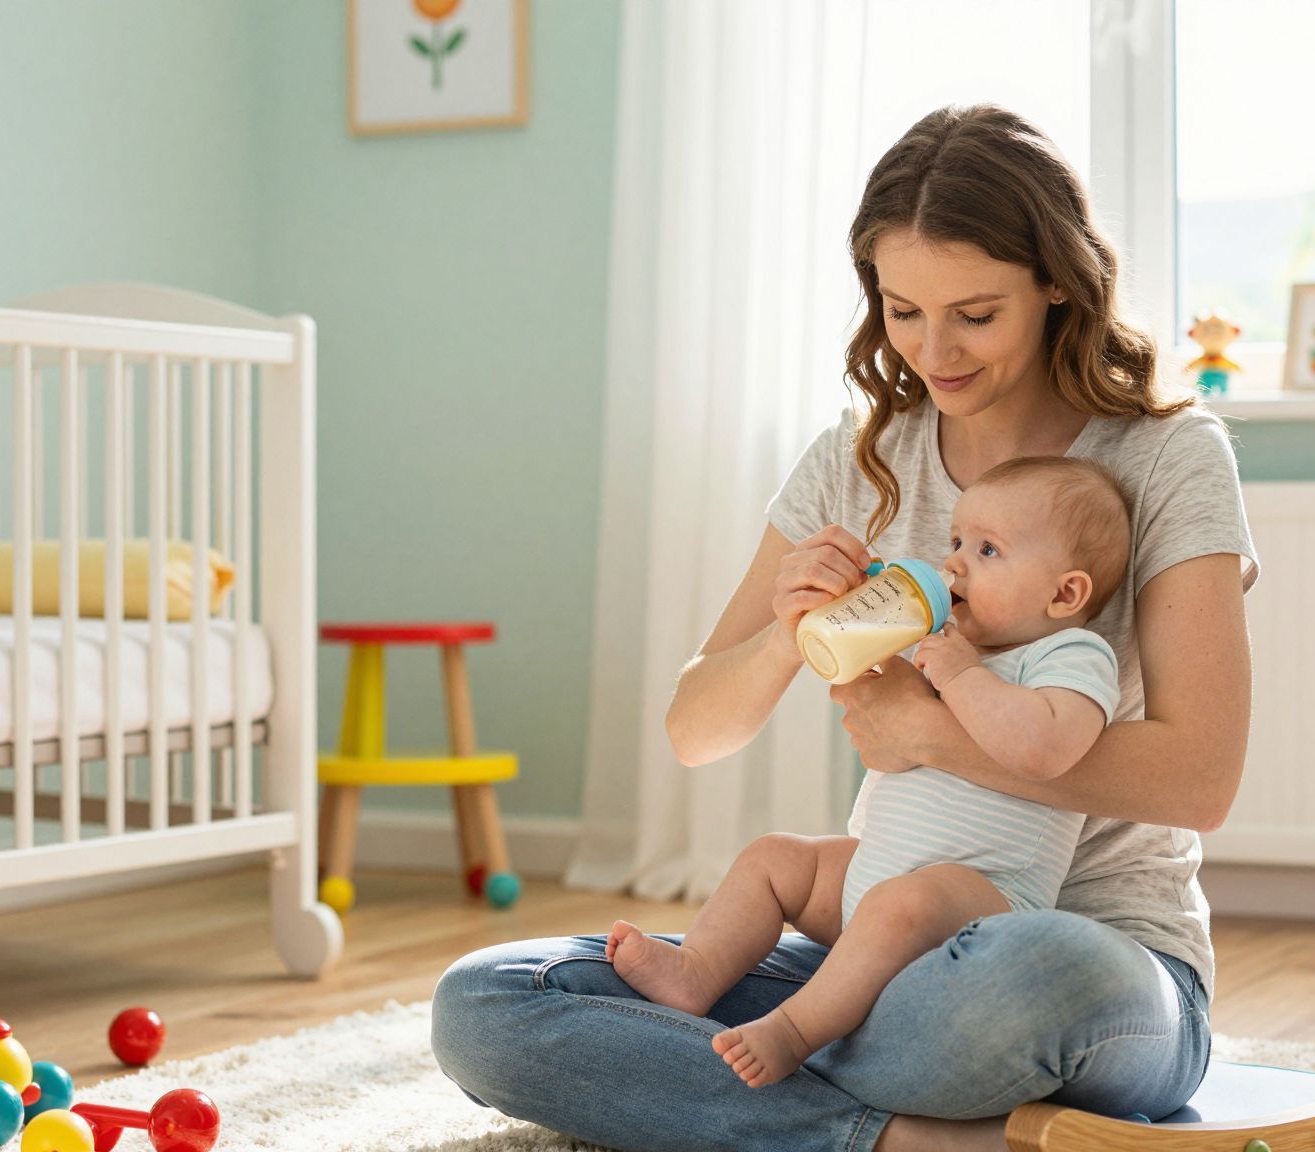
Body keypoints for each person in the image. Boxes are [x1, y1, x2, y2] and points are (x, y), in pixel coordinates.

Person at [432, 103, 1259, 1152]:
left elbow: (1200, 780)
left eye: (974, 314)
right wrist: (787, 634)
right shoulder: (858, 456)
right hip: (869, 953)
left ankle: (767, 1098)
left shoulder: (1166, 458)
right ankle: (907, 1135)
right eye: (902, 310)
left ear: (1057, 282)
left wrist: (929, 735)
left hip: (1088, 965)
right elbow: (695, 730)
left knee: (1031, 985)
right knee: (487, 1003)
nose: (932, 351)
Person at [608, 455, 1131, 1089]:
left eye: (988, 550)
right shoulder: (950, 648)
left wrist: (959, 677)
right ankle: (697, 970)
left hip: (983, 901)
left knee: (900, 904)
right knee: (776, 858)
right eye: (956, 542)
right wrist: (853, 630)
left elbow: (1046, 750)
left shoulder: (1069, 654)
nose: (955, 565)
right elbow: (892, 750)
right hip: (871, 883)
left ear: (1064, 594)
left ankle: (794, 1031)